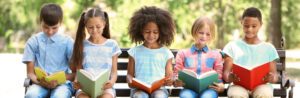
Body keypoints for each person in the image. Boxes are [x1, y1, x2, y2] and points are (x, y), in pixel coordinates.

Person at [222, 7, 279, 98]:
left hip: (261, 86)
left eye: (254, 26)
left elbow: (274, 75)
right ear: (241, 23)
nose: (250, 29)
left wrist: (272, 78)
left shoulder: (269, 48)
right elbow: (226, 73)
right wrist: (229, 77)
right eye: (246, 26)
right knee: (236, 94)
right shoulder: (232, 47)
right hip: (238, 86)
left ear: (260, 25)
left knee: (265, 94)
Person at [23, 3, 74, 98]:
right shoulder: (33, 42)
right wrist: (41, 82)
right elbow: (30, 73)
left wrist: (58, 80)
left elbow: (75, 74)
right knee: (31, 95)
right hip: (39, 83)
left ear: (61, 23)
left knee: (59, 96)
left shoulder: (68, 43)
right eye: (46, 27)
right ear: (40, 21)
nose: (50, 32)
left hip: (62, 85)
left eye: (54, 28)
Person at [71, 7, 121, 98]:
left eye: (98, 27)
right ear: (85, 26)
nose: (94, 30)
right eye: (90, 27)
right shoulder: (81, 45)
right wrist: (76, 82)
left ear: (104, 24)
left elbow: (114, 72)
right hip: (85, 88)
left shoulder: (112, 45)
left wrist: (112, 82)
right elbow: (79, 72)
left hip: (105, 88)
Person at [126, 6, 175, 98]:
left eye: (155, 32)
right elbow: (129, 75)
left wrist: (170, 80)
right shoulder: (134, 52)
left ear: (162, 32)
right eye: (147, 31)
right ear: (141, 31)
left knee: (159, 96)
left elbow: (169, 76)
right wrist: (130, 81)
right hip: (138, 90)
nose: (151, 35)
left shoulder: (166, 53)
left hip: (160, 89)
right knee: (139, 96)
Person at [173, 16, 224, 98]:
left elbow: (219, 76)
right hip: (188, 89)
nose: (204, 36)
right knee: (186, 96)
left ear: (212, 36)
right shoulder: (183, 53)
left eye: (208, 34)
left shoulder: (216, 55)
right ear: (194, 32)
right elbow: (176, 74)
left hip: (209, 90)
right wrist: (176, 81)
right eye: (201, 33)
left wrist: (221, 86)